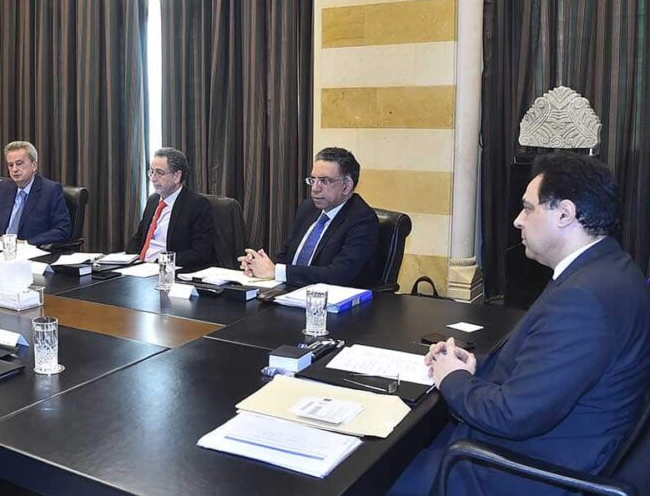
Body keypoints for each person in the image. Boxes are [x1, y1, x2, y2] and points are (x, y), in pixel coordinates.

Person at [390, 153, 650, 496]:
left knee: (379, 473)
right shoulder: (610, 267)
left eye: (528, 208)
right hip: (553, 444)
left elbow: (513, 415)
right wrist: (474, 367)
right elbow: (543, 366)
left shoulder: (584, 298)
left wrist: (451, 378)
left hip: (523, 471)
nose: (517, 221)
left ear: (565, 214)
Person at [239, 147, 379, 288]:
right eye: (313, 180)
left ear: (346, 186)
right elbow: (287, 255)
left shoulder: (362, 219)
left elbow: (338, 274)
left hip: (328, 297)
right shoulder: (308, 208)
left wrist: (276, 271)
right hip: (289, 291)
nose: (315, 188)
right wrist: (259, 265)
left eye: (325, 181)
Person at [127, 147, 217, 272]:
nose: (153, 178)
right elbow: (139, 238)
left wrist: (160, 263)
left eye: (159, 173)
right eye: (151, 172)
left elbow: (201, 252)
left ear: (177, 176)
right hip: (139, 269)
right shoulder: (153, 200)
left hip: (167, 271)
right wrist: (131, 260)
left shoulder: (197, 205)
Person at [0, 141, 71, 246]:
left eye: (19, 164)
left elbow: (62, 230)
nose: (14, 169)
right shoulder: (3, 188)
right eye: (10, 165)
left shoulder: (50, 191)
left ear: (34, 165)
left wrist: (26, 243)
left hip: (31, 251)